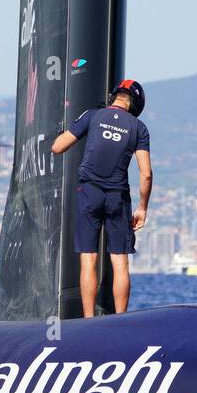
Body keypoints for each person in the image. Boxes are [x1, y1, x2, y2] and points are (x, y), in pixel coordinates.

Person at [50, 79, 152, 317]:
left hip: (89, 193)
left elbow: (57, 147)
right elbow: (146, 174)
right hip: (118, 197)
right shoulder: (139, 128)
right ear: (135, 104)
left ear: (114, 96)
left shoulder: (92, 116)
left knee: (89, 258)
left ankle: (88, 319)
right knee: (120, 261)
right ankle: (120, 319)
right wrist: (142, 208)